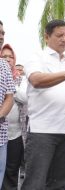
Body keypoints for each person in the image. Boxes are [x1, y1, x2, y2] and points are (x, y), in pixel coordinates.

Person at [21, 19, 65, 190]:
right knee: (35, 183)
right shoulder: (36, 58)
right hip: (43, 131)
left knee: (59, 183)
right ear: (46, 37)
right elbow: (35, 80)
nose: (64, 39)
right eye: (59, 35)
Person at [0, 44, 27, 190]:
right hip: (1, 133)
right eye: (4, 56)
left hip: (16, 135)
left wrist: (10, 86)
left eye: (11, 57)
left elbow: (24, 97)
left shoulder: (21, 80)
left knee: (11, 171)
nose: (8, 59)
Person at [0, 20, 15, 189]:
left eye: (3, 33)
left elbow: (9, 97)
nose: (1, 36)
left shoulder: (4, 65)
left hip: (1, 137)